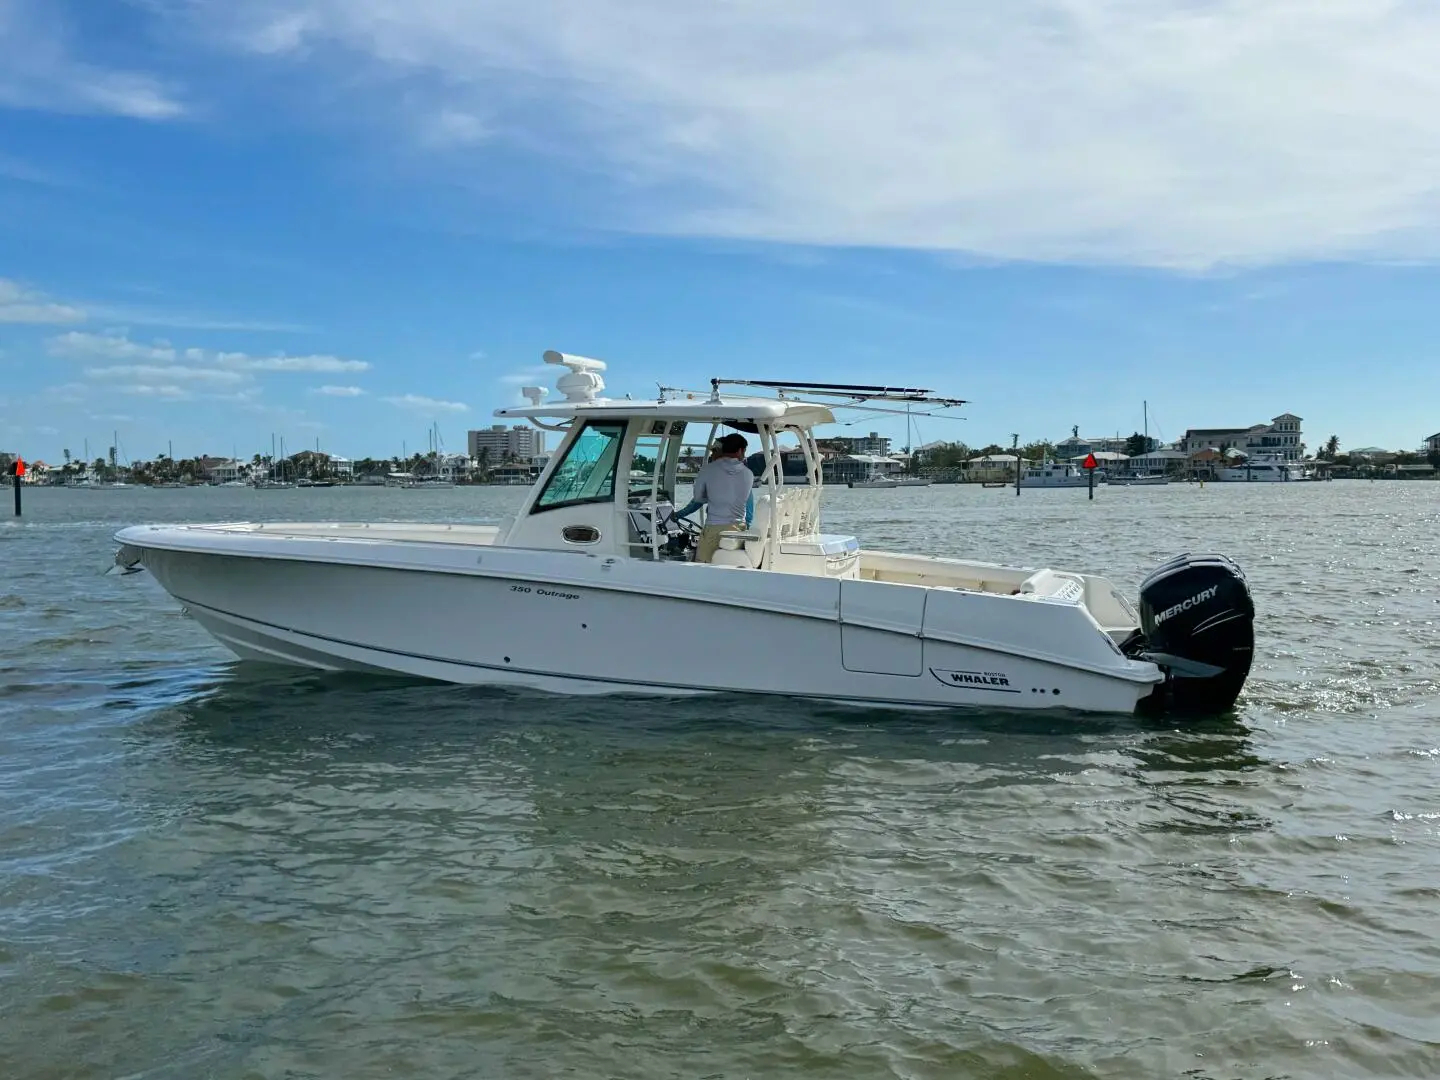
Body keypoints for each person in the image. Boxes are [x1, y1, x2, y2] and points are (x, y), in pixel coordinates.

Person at [675, 432, 754, 562]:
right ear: (740, 451)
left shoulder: (707, 470)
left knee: (702, 564)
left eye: (714, 451)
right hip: (739, 529)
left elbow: (698, 499)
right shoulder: (748, 474)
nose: (712, 455)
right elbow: (749, 511)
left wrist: (678, 514)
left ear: (722, 450)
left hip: (713, 529)